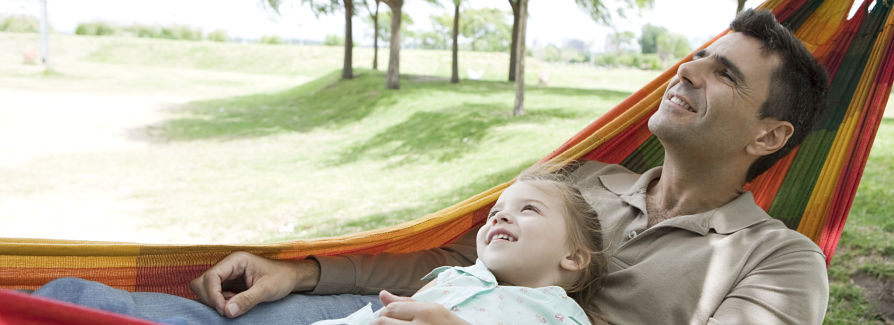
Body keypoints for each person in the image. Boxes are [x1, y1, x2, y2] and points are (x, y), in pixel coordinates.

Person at [33, 8, 830, 325]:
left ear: (768, 136)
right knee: (100, 305)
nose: (688, 70)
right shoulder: (584, 178)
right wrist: (301, 271)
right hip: (404, 311)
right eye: (698, 54)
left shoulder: (776, 260)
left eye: (724, 73)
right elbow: (448, 255)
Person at [312, 167, 607, 324]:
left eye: (529, 209)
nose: (499, 216)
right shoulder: (452, 276)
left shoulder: (560, 314)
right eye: (493, 213)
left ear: (573, 256)